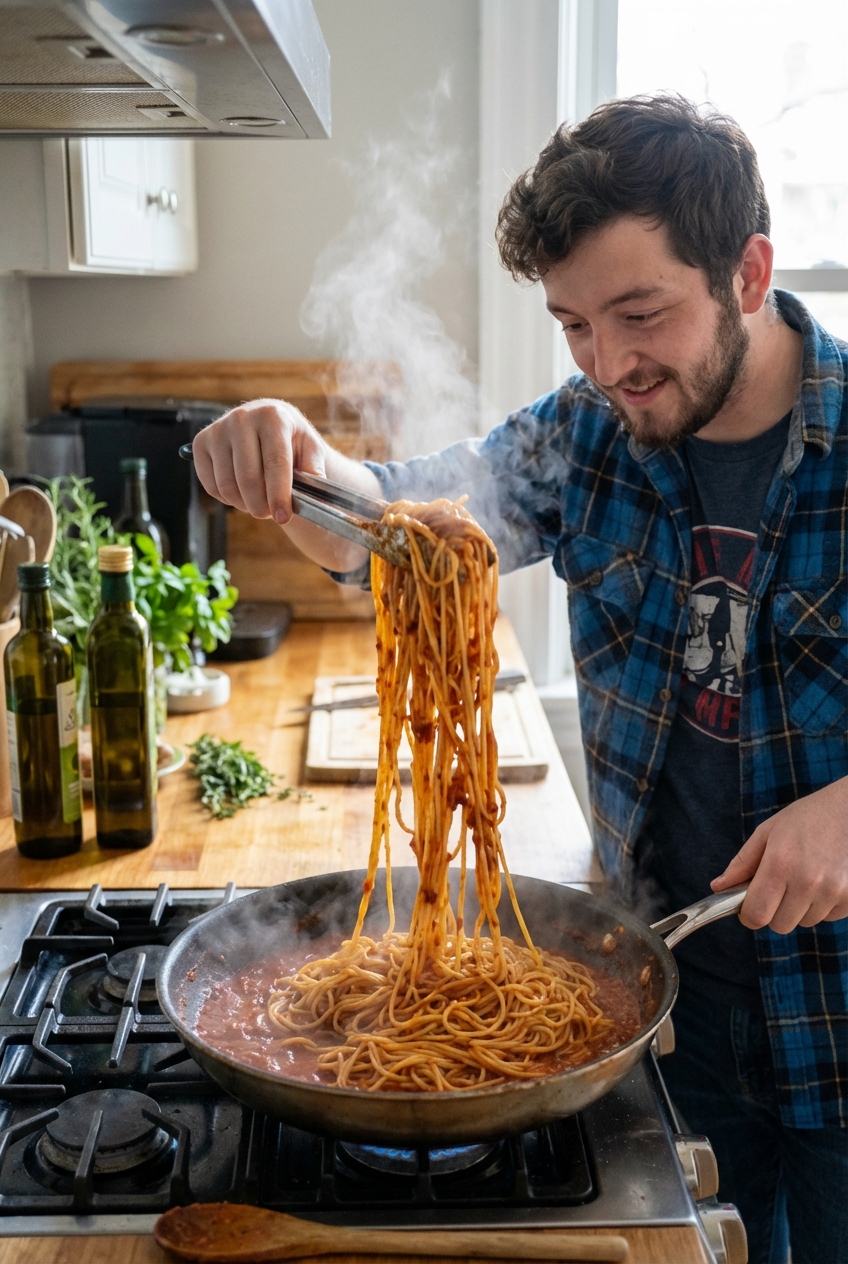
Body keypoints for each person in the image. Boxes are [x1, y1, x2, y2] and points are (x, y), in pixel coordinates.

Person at [193, 95, 847, 1264]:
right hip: (661, 998)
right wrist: (294, 460)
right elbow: (397, 522)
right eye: (571, 325)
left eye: (638, 314)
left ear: (746, 273)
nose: (607, 364)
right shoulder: (588, 431)